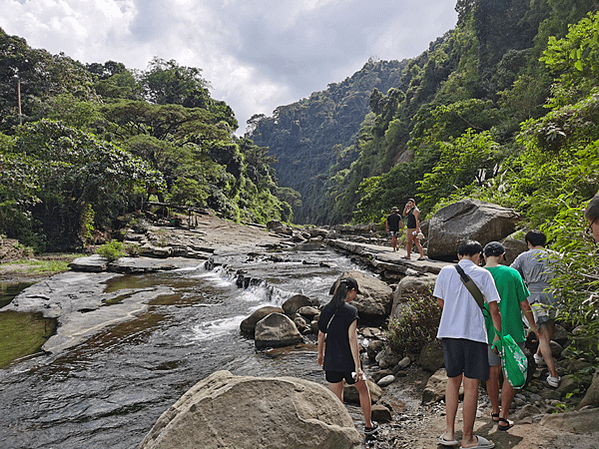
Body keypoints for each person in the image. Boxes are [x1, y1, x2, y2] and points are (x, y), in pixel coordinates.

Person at [434, 240, 501, 449]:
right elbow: (493, 309)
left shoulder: (445, 271)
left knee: (452, 381)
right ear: (478, 255)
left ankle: (448, 434)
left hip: (449, 334)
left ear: (459, 255)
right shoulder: (483, 274)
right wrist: (497, 336)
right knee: (471, 386)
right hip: (474, 335)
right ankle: (467, 438)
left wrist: (455, 310)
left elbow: (440, 302)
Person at [482, 241, 538, 431]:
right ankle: (504, 417)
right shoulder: (512, 274)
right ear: (502, 255)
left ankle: (495, 410)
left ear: (483, 255)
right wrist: (533, 326)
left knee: (492, 371)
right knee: (511, 372)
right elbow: (524, 304)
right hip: (513, 330)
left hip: (488, 332)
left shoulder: (478, 274)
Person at [317, 277, 378, 435]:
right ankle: (369, 425)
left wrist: (320, 355)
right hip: (349, 363)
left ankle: (342, 430)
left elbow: (321, 334)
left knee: (337, 398)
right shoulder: (351, 311)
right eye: (355, 292)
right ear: (350, 291)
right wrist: (358, 366)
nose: (355, 296)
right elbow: (352, 339)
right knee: (364, 391)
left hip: (331, 361)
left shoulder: (326, 309)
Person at [510, 230, 560, 387]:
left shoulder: (524, 256)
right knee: (550, 328)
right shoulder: (556, 255)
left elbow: (512, 272)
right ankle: (538, 355)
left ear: (528, 243)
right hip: (554, 295)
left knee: (542, 334)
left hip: (534, 297)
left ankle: (554, 375)